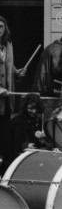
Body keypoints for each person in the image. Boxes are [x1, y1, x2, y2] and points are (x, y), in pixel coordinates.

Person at [0, 16, 27, 173]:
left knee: (4, 134)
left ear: (5, 29)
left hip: (6, 102)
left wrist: (17, 73)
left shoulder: (8, 45)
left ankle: (3, 169)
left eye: (1, 26)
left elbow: (8, 65)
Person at [4, 93, 46, 173]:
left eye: (36, 109)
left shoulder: (39, 122)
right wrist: (25, 145)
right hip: (17, 163)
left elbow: (40, 143)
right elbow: (9, 144)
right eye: (31, 108)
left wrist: (43, 141)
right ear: (25, 107)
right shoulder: (16, 122)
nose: (34, 111)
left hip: (35, 161)